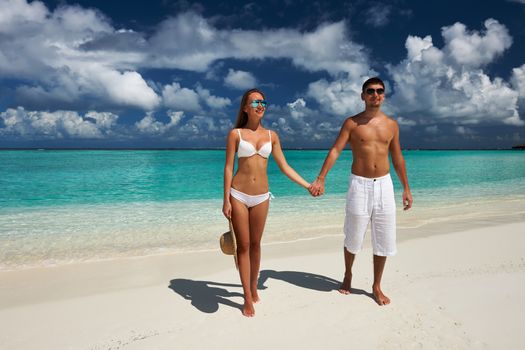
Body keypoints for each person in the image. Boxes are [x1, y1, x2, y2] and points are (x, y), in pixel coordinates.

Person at [310, 77, 413, 305]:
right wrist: (321, 178)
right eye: (370, 91)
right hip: (359, 184)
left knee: (384, 237)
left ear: (384, 95)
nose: (375, 94)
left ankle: (376, 286)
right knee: (353, 235)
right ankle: (348, 273)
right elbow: (336, 150)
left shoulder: (391, 125)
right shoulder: (352, 123)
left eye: (379, 91)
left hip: (384, 184)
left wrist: (405, 187)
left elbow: (397, 157)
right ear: (363, 95)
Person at [223, 88, 311, 317]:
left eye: (263, 102)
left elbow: (284, 166)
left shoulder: (272, 136)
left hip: (262, 196)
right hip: (238, 195)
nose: (260, 106)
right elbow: (228, 168)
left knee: (256, 245)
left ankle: (253, 287)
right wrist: (226, 200)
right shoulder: (236, 134)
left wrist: (308, 185)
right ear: (245, 108)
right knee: (242, 246)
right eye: (255, 103)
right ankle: (246, 297)